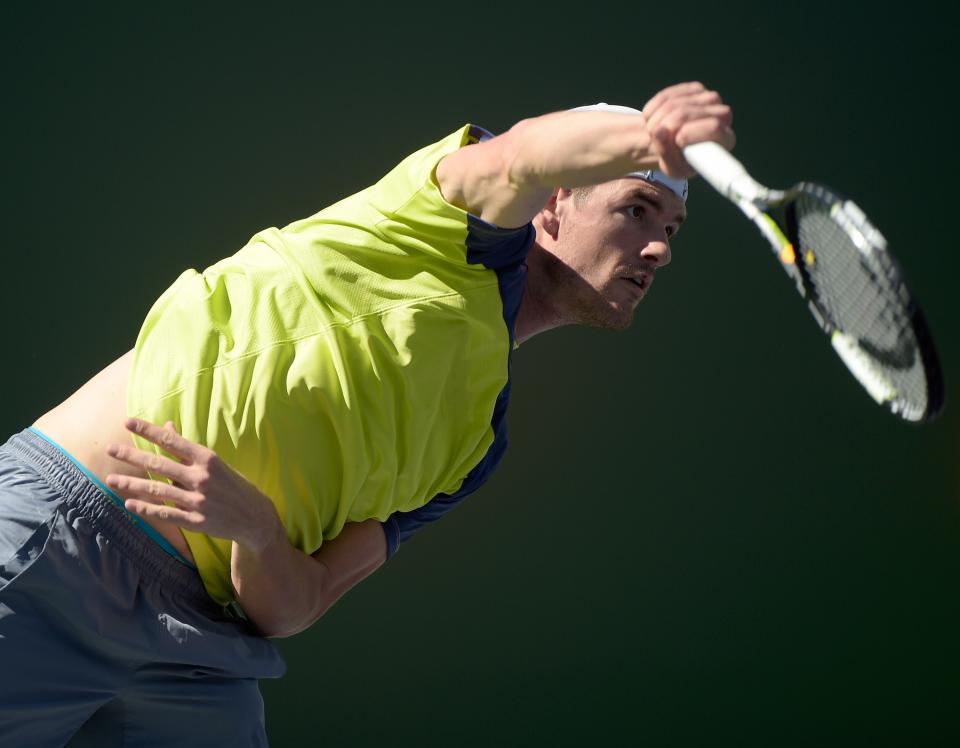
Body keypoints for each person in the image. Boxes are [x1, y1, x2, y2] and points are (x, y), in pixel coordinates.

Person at [0, 81, 734, 746]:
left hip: (199, 655)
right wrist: (649, 140)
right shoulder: (437, 223)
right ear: (554, 204)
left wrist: (255, 531)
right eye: (637, 208)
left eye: (671, 229)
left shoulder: (476, 446)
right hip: (61, 543)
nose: (658, 248)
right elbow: (518, 158)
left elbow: (297, 604)